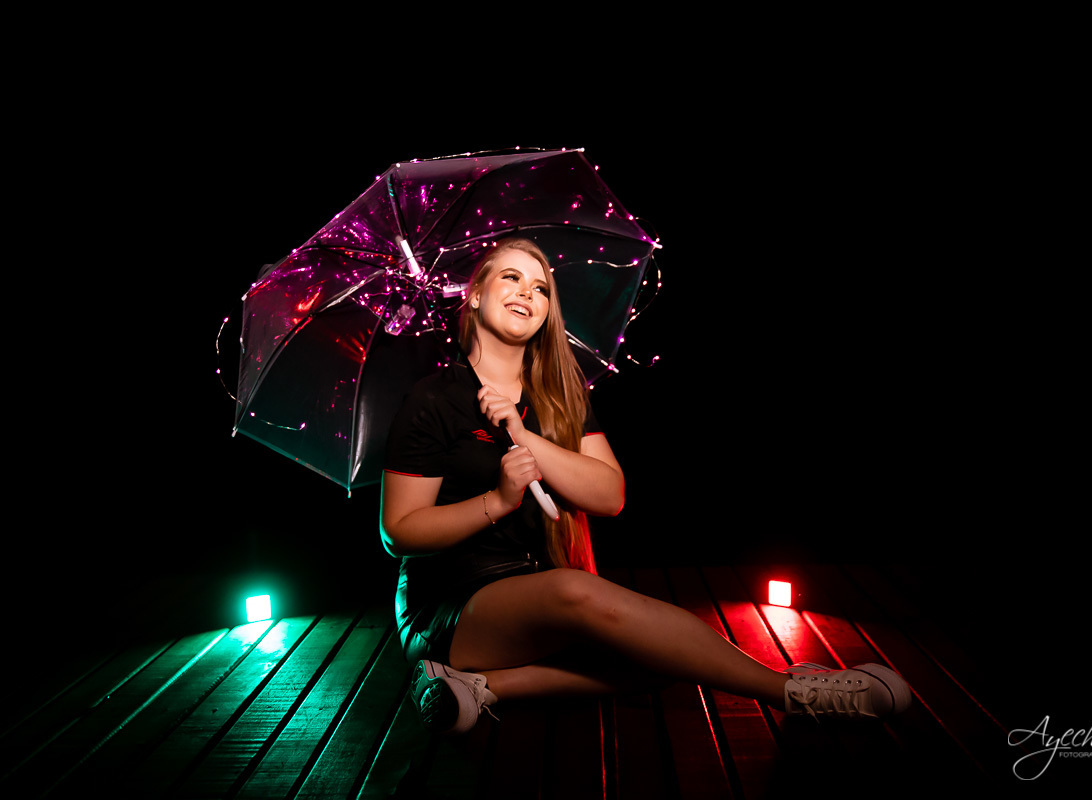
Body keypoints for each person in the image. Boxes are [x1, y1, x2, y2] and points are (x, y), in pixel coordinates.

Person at [380, 238, 910, 734]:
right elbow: (399, 533)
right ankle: (794, 692)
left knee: (665, 657)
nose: (527, 293)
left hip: (544, 584)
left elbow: (609, 496)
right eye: (512, 279)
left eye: (540, 288)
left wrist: (526, 438)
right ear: (474, 296)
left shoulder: (562, 396)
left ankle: (484, 688)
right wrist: (496, 501)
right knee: (591, 600)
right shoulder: (431, 401)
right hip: (453, 608)